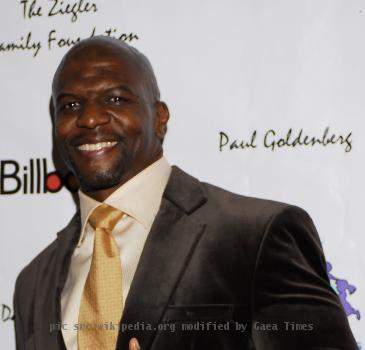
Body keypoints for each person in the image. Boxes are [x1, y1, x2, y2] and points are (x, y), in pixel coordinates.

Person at [13, 36, 357, 350]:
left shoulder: (256, 236)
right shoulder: (33, 282)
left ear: (159, 118)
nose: (89, 118)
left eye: (115, 98)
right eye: (70, 105)